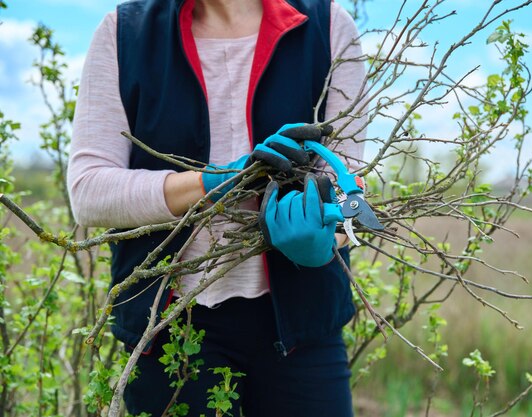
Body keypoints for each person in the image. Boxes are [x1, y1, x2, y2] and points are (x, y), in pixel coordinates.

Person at [68, 0, 366, 415]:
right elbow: (89, 190)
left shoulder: (327, 26)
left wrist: (322, 239)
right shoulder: (126, 32)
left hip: (303, 325)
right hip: (168, 327)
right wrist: (213, 183)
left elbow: (348, 185)